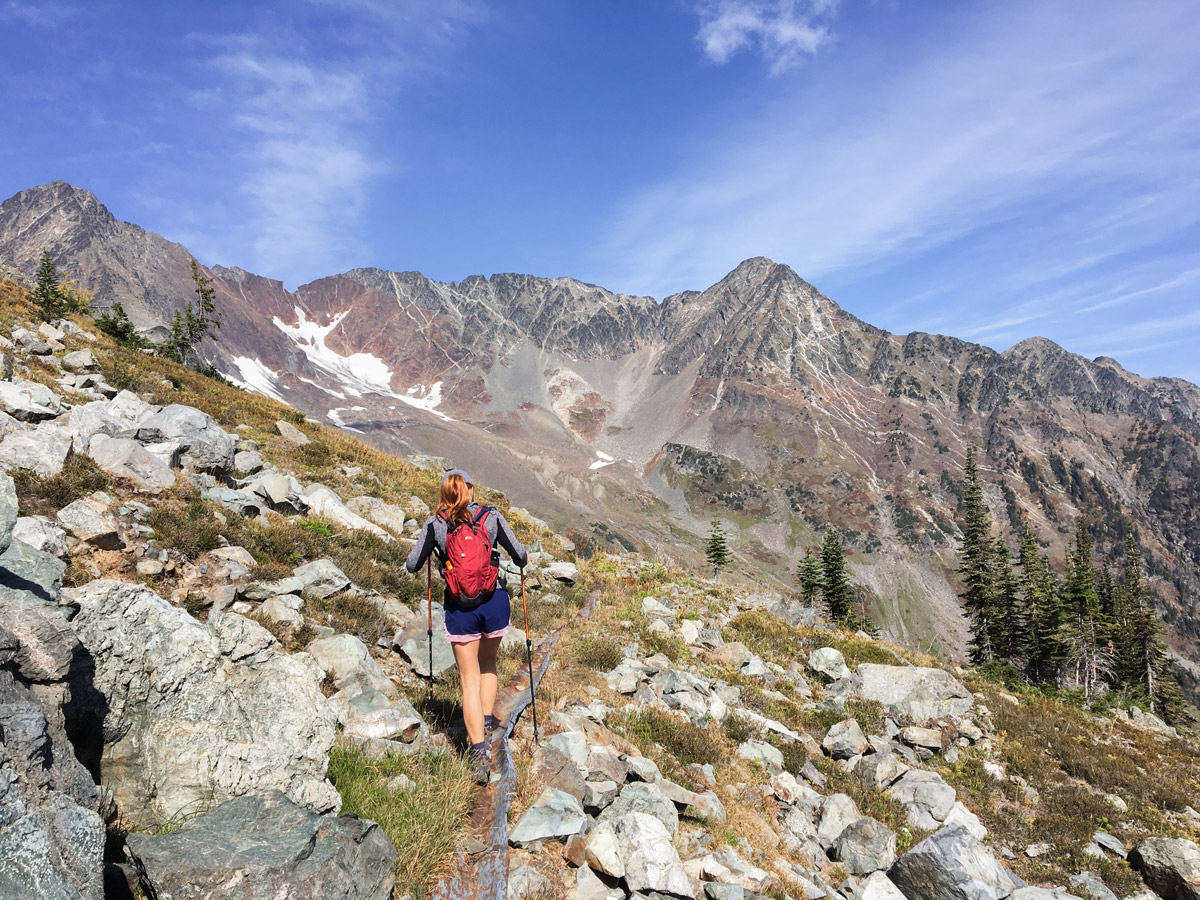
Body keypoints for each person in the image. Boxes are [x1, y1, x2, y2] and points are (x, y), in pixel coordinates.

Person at [405, 469, 528, 784]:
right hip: (495, 602)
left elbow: (411, 564)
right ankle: (487, 724)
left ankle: (477, 752)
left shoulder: (436, 524)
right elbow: (521, 554)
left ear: (445, 494)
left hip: (460, 608)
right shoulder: (491, 516)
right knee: (488, 663)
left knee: (468, 679)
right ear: (470, 491)